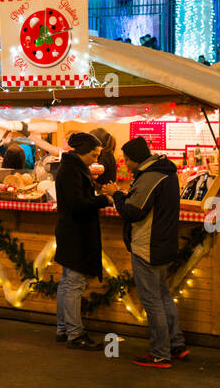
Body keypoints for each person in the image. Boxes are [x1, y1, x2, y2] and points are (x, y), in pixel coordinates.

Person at [110, 136, 186, 368]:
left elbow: (133, 211)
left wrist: (116, 195)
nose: (123, 163)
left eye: (125, 159)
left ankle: (160, 353)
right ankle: (176, 344)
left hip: (148, 246)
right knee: (162, 295)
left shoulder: (150, 176)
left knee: (152, 300)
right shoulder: (165, 171)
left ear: (134, 159)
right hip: (163, 243)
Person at [54, 131, 114, 350]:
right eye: (94, 155)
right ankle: (75, 334)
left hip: (71, 231)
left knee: (68, 282)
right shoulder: (71, 171)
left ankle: (63, 329)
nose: (96, 160)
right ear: (82, 153)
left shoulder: (73, 168)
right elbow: (77, 205)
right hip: (74, 233)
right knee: (74, 284)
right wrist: (103, 200)